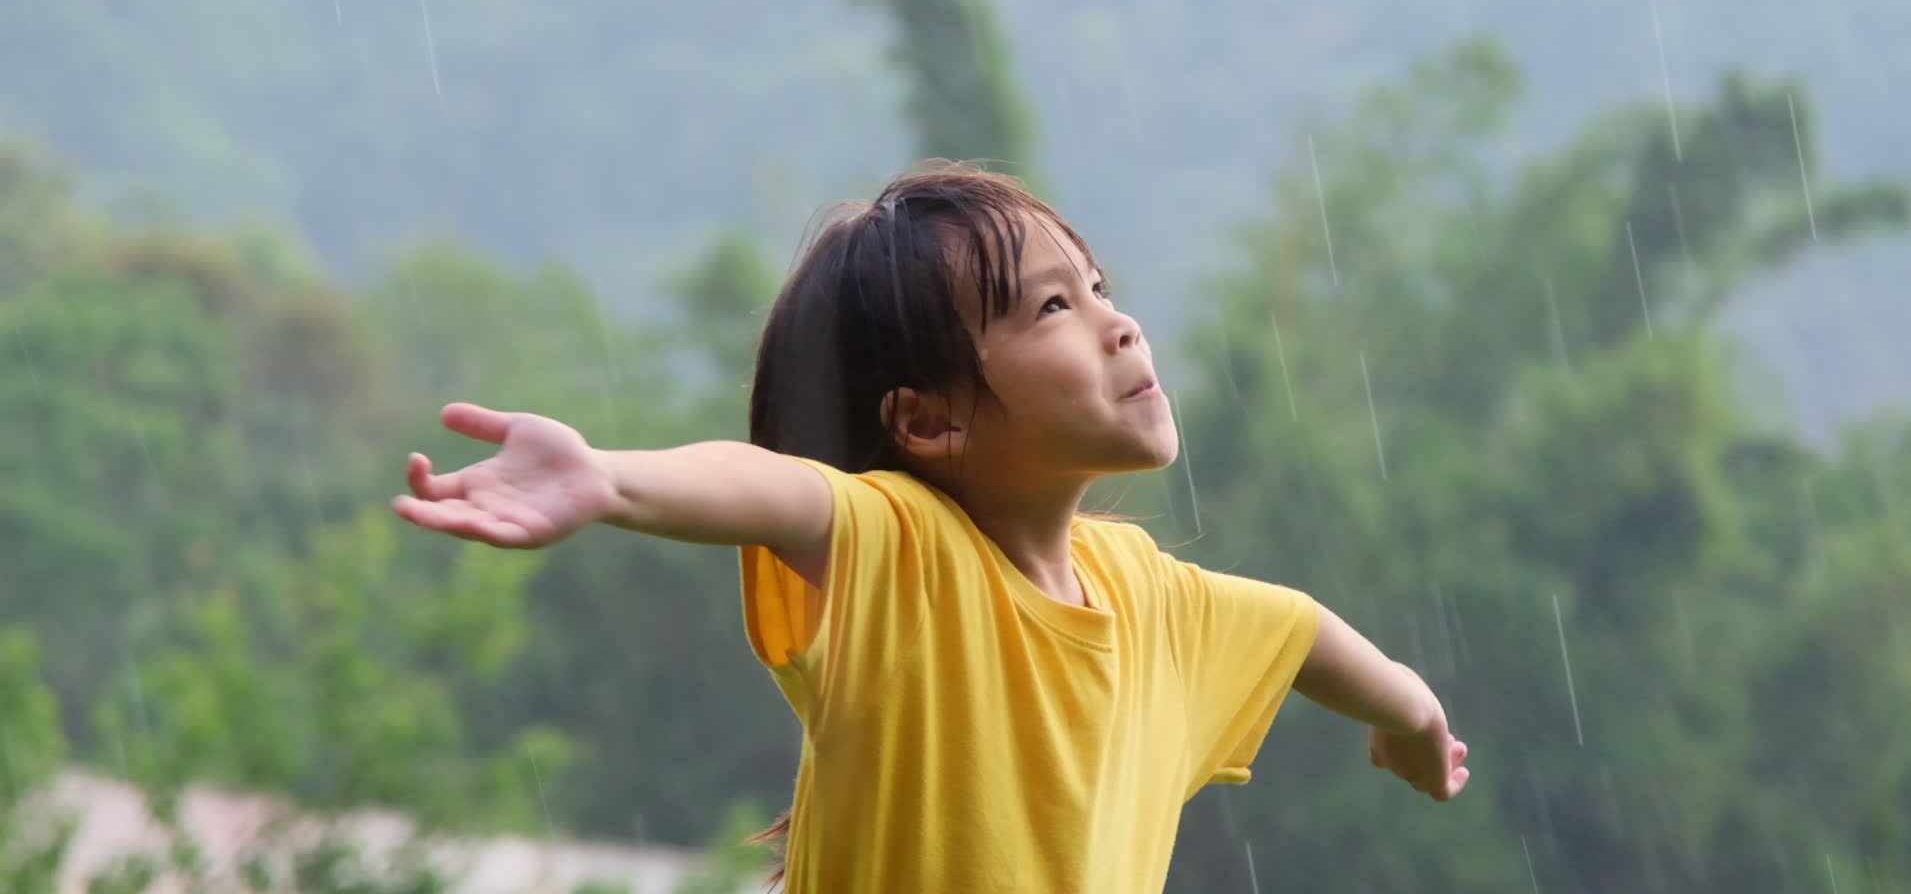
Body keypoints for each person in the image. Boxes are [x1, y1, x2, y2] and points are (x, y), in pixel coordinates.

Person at [391, 161, 1469, 893]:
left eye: (1096, 289)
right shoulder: (910, 557)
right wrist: (607, 480)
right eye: (1052, 309)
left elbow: (1300, 635)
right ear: (926, 419)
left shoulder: (1154, 598)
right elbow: (773, 489)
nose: (1119, 323)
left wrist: (1411, 717)